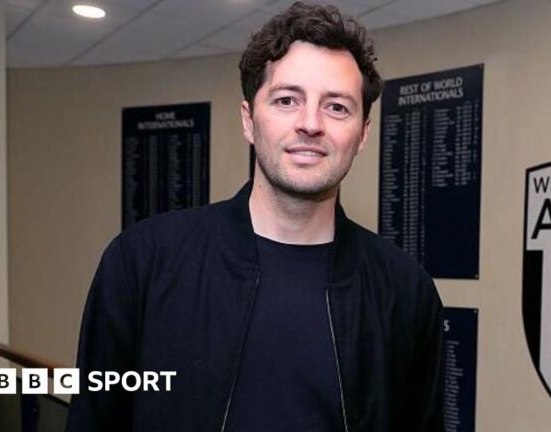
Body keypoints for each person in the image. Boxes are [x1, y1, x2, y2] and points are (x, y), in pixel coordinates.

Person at [66, 2, 443, 431]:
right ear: (249, 120)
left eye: (337, 107)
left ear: (363, 134)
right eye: (286, 100)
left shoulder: (405, 293)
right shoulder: (142, 264)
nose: (310, 124)